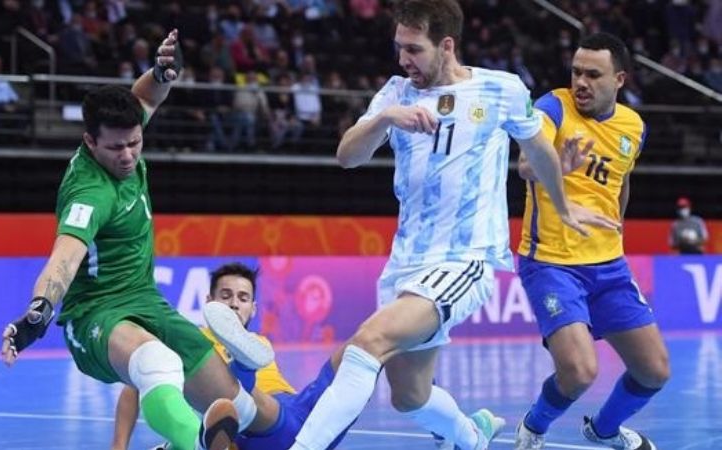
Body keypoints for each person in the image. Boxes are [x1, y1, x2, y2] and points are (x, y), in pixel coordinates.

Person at [285, 1, 617, 450]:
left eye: (414, 49)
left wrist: (562, 205)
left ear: (446, 45)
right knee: (409, 395)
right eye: (399, 48)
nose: (404, 59)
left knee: (369, 342)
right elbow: (347, 156)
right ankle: (469, 436)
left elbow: (538, 151)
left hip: (466, 258)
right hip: (406, 261)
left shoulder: (502, 89)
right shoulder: (396, 93)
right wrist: (384, 118)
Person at [0, 30, 278, 450]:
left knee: (237, 407)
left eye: (135, 143)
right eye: (116, 148)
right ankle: (190, 442)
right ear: (90, 141)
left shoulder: (123, 131)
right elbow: (65, 257)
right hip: (95, 315)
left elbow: (144, 98)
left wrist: (162, 73)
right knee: (157, 362)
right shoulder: (90, 193)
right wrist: (38, 312)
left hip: (147, 302)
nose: (128, 155)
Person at [514, 32, 670, 450]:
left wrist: (617, 223)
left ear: (619, 79)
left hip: (609, 266)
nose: (581, 81)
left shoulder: (632, 126)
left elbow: (621, 181)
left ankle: (603, 430)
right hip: (551, 262)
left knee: (653, 370)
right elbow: (526, 163)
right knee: (580, 372)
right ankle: (533, 425)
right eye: (576, 72)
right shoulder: (553, 107)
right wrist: (555, 167)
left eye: (593, 75)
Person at [111, 262, 353, 450]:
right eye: (225, 296)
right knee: (223, 414)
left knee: (356, 356)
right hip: (243, 425)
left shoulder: (260, 344)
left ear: (253, 308)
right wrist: (119, 446)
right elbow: (135, 384)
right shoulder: (189, 340)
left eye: (243, 298)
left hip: (289, 411)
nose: (234, 304)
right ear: (209, 302)